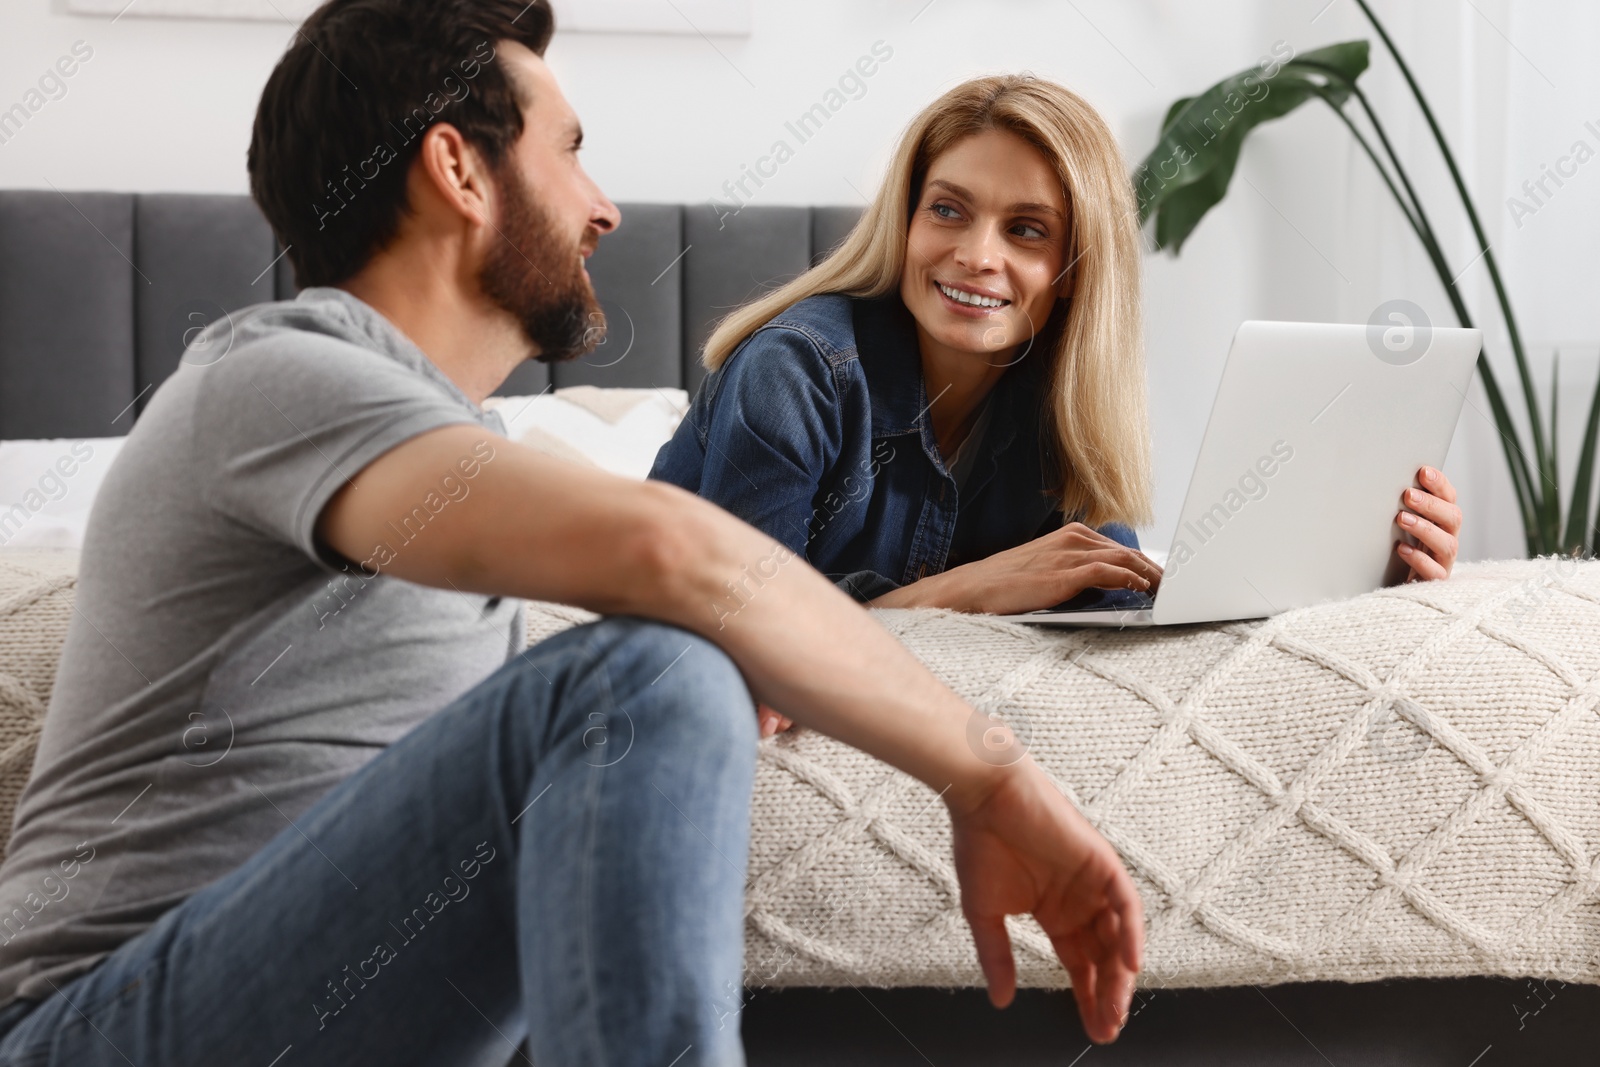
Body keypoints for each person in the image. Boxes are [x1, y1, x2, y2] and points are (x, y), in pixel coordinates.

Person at [0, 2, 1147, 1064]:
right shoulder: (276, 373)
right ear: (458, 168)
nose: (604, 206)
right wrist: (987, 777)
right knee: (655, 670)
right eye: (570, 150)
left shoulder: (454, 485)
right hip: (99, 1021)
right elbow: (672, 552)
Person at [651, 75, 1463, 736]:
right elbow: (745, 643)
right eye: (948, 209)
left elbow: (1122, 613)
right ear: (904, 220)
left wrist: (1358, 583)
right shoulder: (797, 371)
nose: (976, 255)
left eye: (1028, 230)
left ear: (1073, 267)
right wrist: (972, 589)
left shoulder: (1057, 410)